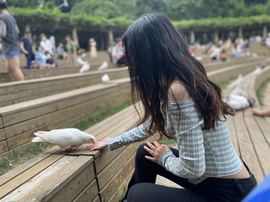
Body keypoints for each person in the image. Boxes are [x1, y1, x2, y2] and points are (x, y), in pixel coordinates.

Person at [86, 14, 257, 202]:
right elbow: (151, 125)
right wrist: (111, 142)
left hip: (229, 194)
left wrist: (165, 158)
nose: (129, 62)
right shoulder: (181, 76)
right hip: (213, 181)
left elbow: (192, 168)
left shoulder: (177, 90)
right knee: (146, 153)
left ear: (147, 55)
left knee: (138, 194)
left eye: (132, 55)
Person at [0, 0, 24, 81]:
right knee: (9, 68)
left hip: (9, 45)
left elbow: (2, 33)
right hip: (14, 44)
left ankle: (22, 87)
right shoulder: (11, 17)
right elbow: (17, 31)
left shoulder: (1, 18)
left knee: (15, 68)